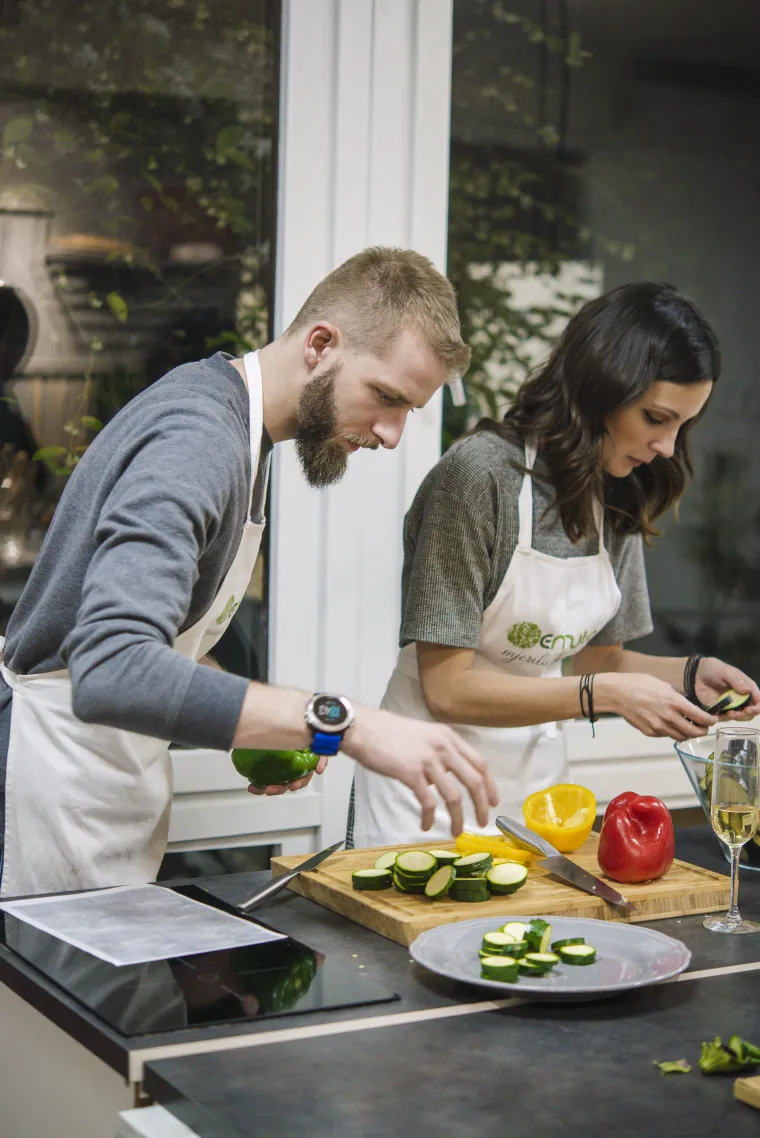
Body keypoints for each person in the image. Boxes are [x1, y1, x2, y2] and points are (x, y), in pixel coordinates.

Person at [0, 246, 498, 897]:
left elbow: (162, 644)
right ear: (320, 344)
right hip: (41, 799)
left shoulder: (242, 433)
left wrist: (258, 726)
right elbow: (111, 666)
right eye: (386, 397)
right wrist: (344, 723)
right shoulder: (199, 439)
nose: (392, 434)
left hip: (93, 791)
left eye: (410, 411)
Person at [348, 281, 760, 848]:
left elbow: (601, 660)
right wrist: (604, 695)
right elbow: (447, 689)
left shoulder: (617, 492)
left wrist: (690, 675)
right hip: (423, 795)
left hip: (535, 799)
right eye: (656, 418)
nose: (667, 446)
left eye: (681, 427)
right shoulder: (478, 477)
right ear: (600, 390)